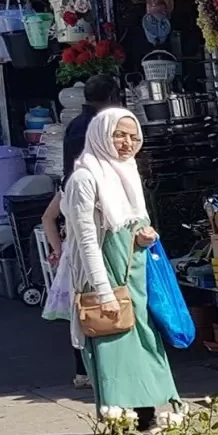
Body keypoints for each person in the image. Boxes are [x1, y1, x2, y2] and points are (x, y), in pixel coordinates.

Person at [63, 107, 177, 435]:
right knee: (116, 351)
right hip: (107, 279)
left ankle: (147, 419)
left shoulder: (127, 170)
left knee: (144, 346)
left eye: (132, 136)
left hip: (136, 277)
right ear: (101, 134)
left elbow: (132, 220)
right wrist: (102, 291)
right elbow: (85, 240)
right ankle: (122, 424)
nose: (127, 143)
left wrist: (145, 233)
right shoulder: (85, 177)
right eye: (119, 135)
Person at [42, 76, 127, 388]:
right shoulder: (90, 137)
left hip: (77, 230)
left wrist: (58, 249)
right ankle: (92, 368)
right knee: (92, 300)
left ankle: (87, 369)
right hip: (86, 231)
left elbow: (47, 217)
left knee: (84, 303)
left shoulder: (81, 125)